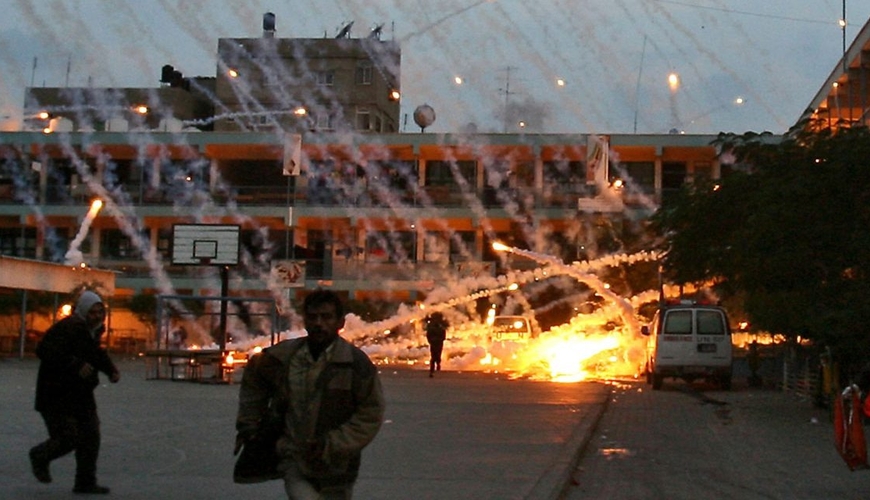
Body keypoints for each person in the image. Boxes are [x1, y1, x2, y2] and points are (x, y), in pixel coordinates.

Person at [235, 289, 385, 499]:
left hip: (337, 465)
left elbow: (370, 414)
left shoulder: (356, 365)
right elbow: (254, 380)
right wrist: (249, 425)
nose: (319, 323)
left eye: (326, 317)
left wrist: (333, 443)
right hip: (294, 456)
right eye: (313, 317)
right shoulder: (283, 357)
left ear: (340, 323)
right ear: (304, 320)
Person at [29, 290, 120, 495]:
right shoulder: (68, 327)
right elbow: (44, 350)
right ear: (83, 311)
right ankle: (40, 456)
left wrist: (110, 370)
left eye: (100, 312)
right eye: (93, 312)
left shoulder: (92, 331)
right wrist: (73, 363)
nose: (97, 316)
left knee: (91, 437)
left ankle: (85, 482)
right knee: (67, 437)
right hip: (55, 394)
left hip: (80, 393)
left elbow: (96, 354)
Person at [425, 312, 448, 378]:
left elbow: (429, 335)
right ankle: (435, 366)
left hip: (436, 344)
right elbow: (443, 337)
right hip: (437, 344)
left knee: (434, 356)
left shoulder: (434, 329)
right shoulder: (439, 329)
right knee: (435, 356)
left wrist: (431, 341)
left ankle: (435, 366)